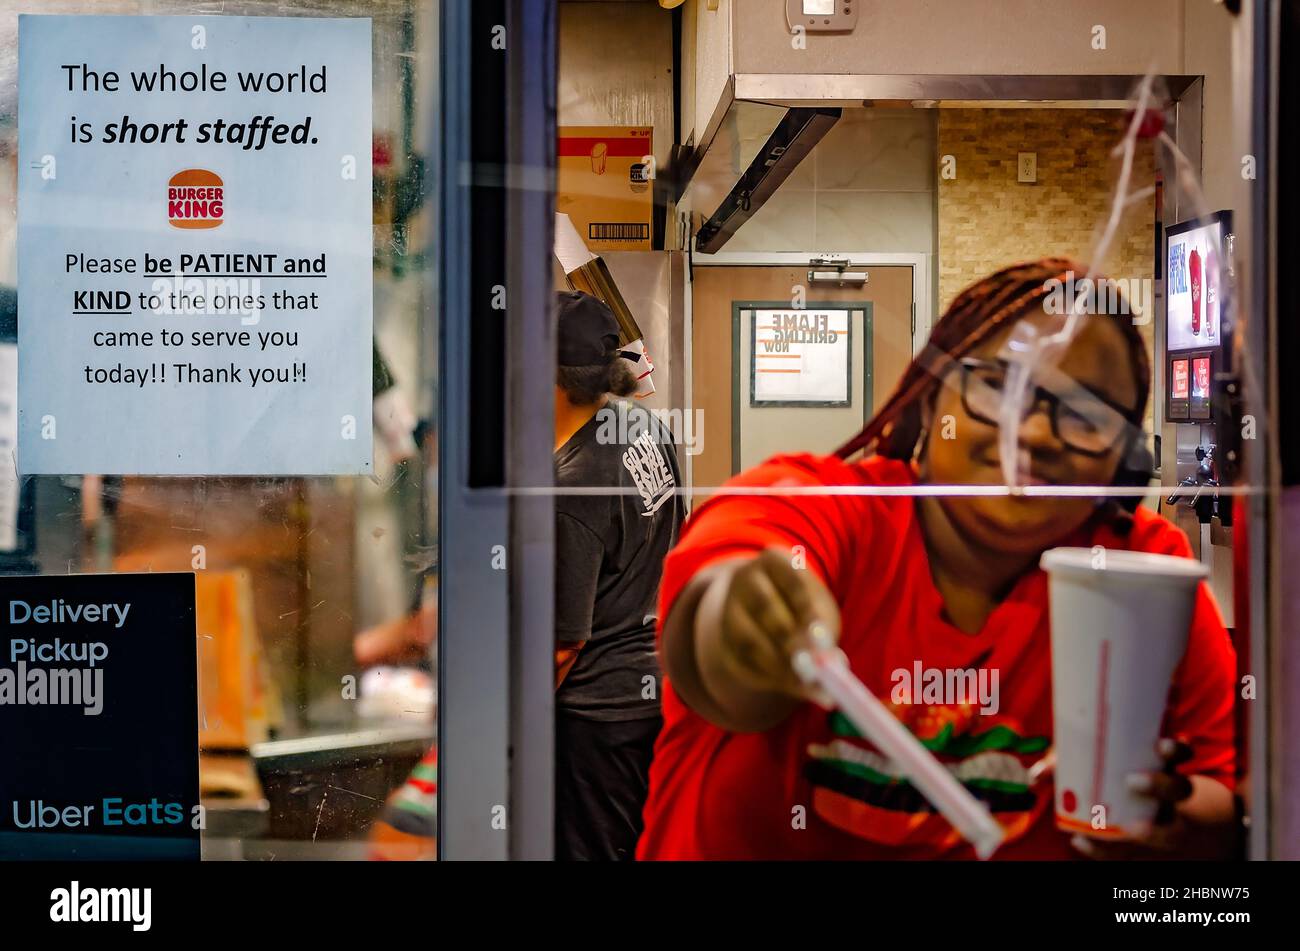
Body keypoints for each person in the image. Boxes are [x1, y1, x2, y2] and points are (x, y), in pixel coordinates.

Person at [638, 259, 1237, 860]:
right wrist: (745, 624)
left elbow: (1219, 791)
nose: (1030, 433)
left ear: (1122, 465)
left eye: (1086, 415)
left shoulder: (1142, 571)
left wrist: (1169, 823)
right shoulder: (822, 513)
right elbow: (710, 626)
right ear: (930, 396)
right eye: (998, 386)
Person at [552, 290, 684, 860]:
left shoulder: (570, 488)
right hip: (655, 691)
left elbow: (562, 645)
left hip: (595, 716)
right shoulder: (641, 426)